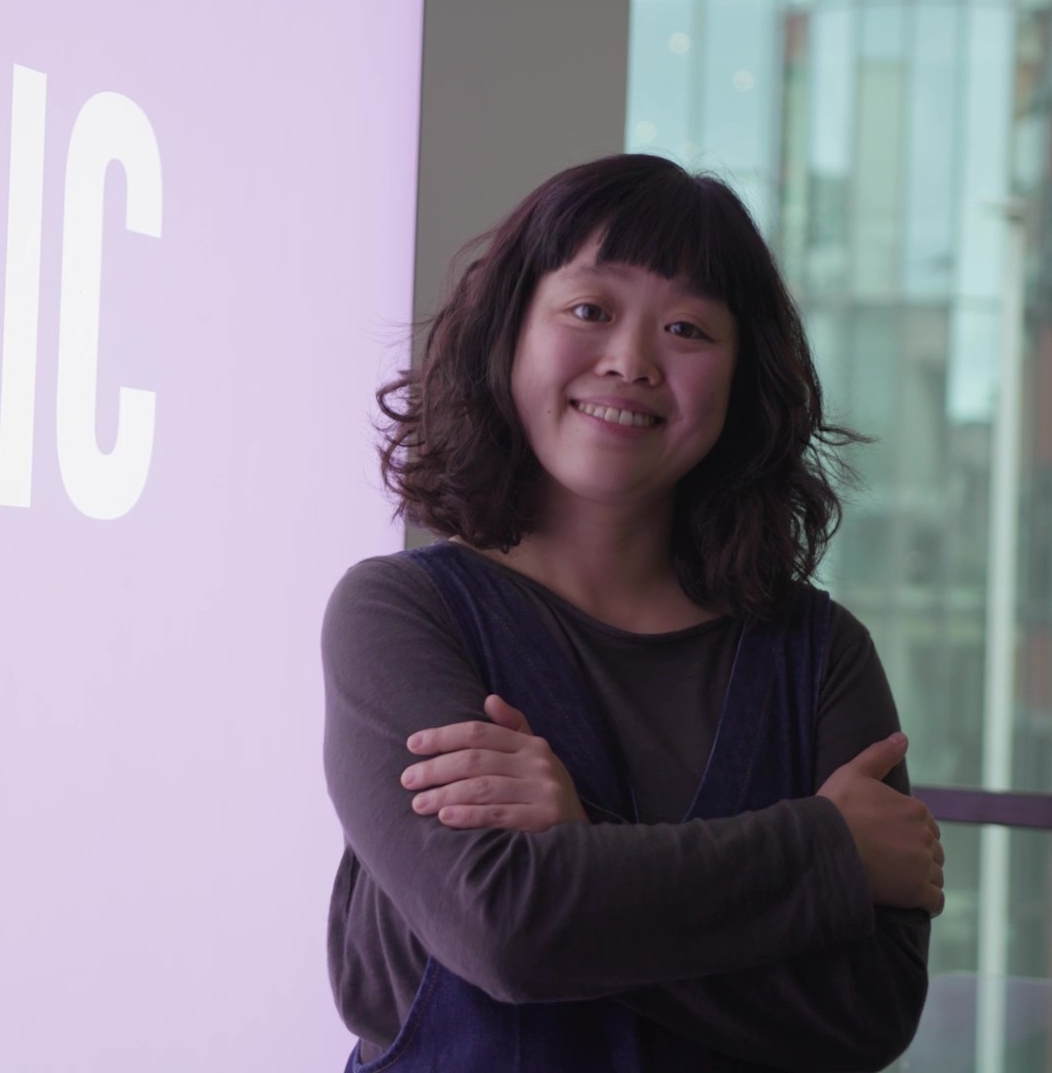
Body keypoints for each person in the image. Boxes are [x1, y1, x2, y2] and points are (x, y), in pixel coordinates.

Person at [321, 153, 944, 1072]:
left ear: (741, 382)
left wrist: (580, 848)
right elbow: (507, 931)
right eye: (589, 310)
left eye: (689, 328)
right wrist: (826, 852)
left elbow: (868, 1012)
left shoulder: (820, 654)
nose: (632, 361)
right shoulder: (402, 614)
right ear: (511, 334)